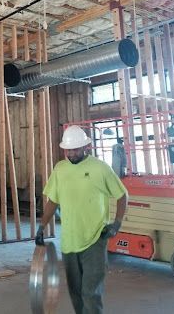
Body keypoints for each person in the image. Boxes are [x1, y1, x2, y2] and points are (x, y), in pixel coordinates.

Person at [35, 125, 128, 314]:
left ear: (86, 147)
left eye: (75, 149)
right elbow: (53, 200)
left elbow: (122, 195)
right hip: (69, 242)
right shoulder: (60, 169)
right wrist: (41, 226)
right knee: (76, 293)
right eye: (68, 150)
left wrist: (116, 223)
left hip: (94, 240)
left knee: (91, 293)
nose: (71, 153)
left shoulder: (100, 168)